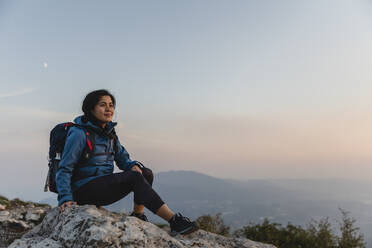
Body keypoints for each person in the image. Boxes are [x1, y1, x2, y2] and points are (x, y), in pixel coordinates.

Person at [56, 89, 198, 236]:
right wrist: (65, 198)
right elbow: (65, 168)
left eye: (111, 105)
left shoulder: (110, 134)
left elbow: (123, 159)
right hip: (82, 190)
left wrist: (132, 165)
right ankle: (174, 221)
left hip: (101, 186)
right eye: (103, 105)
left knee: (144, 173)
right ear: (91, 109)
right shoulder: (79, 134)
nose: (108, 109)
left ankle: (138, 216)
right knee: (135, 177)